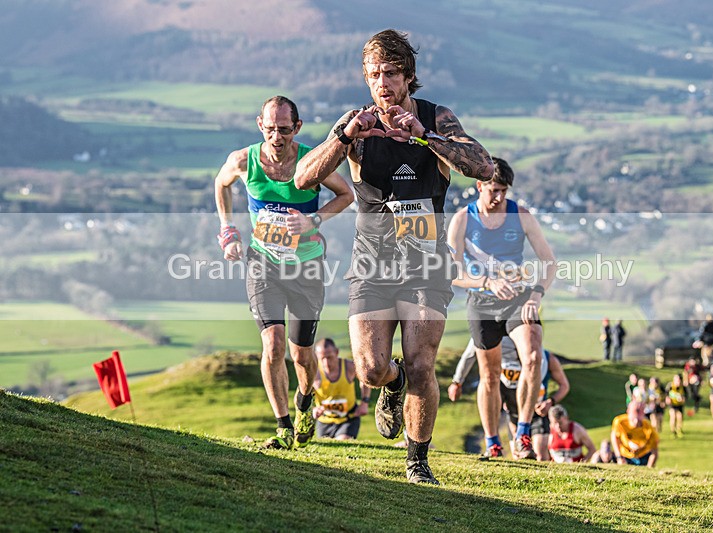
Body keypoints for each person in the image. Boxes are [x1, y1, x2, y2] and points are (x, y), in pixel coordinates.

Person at [294, 29, 494, 485]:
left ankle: (417, 461)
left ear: (408, 77)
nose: (381, 83)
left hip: (427, 263)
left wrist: (424, 138)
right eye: (373, 75)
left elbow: (482, 166)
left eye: (390, 73)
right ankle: (393, 382)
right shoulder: (356, 124)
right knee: (370, 369)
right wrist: (345, 137)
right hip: (372, 264)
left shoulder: (435, 117)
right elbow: (305, 178)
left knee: (423, 362)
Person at [215, 95, 354, 450]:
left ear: (297, 127)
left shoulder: (312, 160)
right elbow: (221, 185)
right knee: (273, 344)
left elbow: (346, 194)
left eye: (285, 130)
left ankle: (305, 404)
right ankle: (282, 427)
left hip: (306, 267)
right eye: (271, 129)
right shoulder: (243, 161)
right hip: (263, 264)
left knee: (301, 355)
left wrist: (314, 220)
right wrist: (228, 231)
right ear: (260, 125)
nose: (277, 137)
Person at [447, 156, 557, 460]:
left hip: (519, 299)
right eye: (493, 190)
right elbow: (452, 273)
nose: (498, 197)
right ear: (479, 185)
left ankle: (522, 433)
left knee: (533, 357)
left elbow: (549, 262)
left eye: (503, 191)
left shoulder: (521, 216)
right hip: (482, 303)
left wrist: (536, 294)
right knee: (490, 375)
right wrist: (486, 282)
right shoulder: (462, 220)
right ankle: (492, 441)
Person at [448, 338, 569, 461]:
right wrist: (457, 381)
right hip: (514, 412)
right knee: (517, 454)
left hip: (537, 412)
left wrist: (550, 402)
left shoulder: (545, 358)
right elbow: (470, 353)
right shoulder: (494, 345)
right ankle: (494, 446)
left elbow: (564, 386)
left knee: (540, 452)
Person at [312, 338, 371, 440]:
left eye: (329, 357)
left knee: (343, 441)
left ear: (337, 352)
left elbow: (365, 379)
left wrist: (364, 403)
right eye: (322, 358)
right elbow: (301, 394)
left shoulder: (349, 367)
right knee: (327, 450)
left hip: (348, 418)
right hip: (324, 420)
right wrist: (313, 409)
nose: (326, 363)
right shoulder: (313, 373)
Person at [610, 399, 659, 468]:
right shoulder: (620, 422)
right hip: (625, 455)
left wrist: (649, 466)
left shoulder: (649, 428)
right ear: (628, 411)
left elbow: (655, 450)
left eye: (640, 412)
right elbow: (614, 437)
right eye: (635, 411)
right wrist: (619, 457)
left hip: (642, 457)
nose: (636, 418)